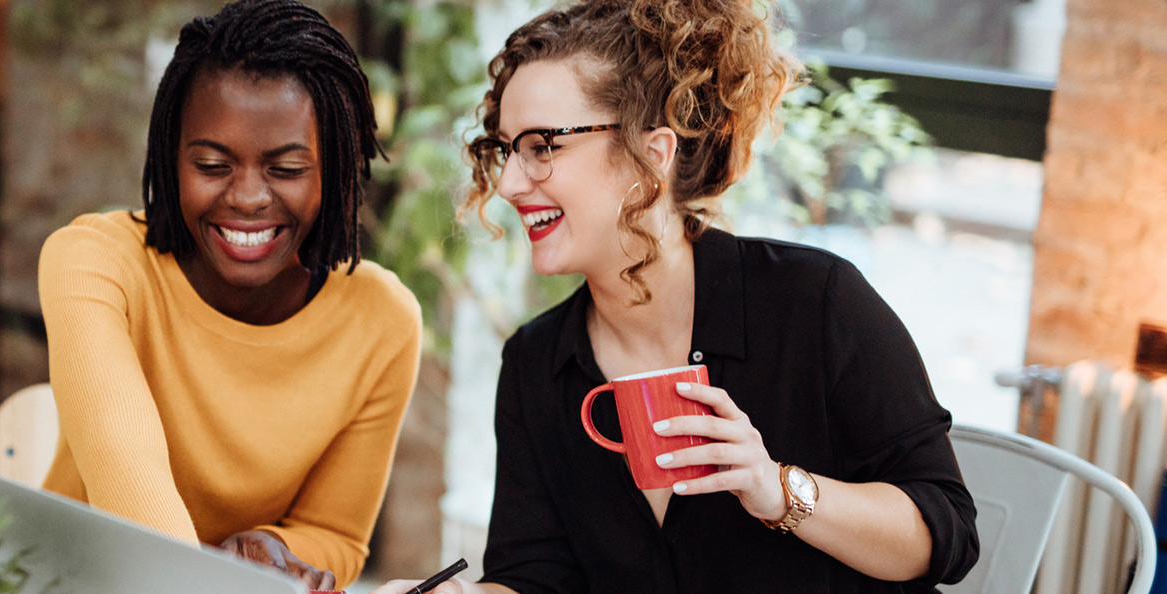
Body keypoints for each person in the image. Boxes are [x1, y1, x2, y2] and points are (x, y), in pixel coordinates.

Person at [372, 1, 978, 593]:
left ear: (651, 155)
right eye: (507, 150)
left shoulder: (815, 303)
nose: (507, 182)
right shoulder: (538, 363)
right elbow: (535, 577)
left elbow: (945, 534)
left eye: (543, 146)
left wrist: (777, 489)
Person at [37, 0, 422, 589]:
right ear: (171, 159)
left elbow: (336, 535)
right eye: (213, 164)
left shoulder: (382, 321)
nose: (246, 198)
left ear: (337, 170)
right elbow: (129, 482)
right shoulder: (95, 263)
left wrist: (274, 547)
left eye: (287, 169)